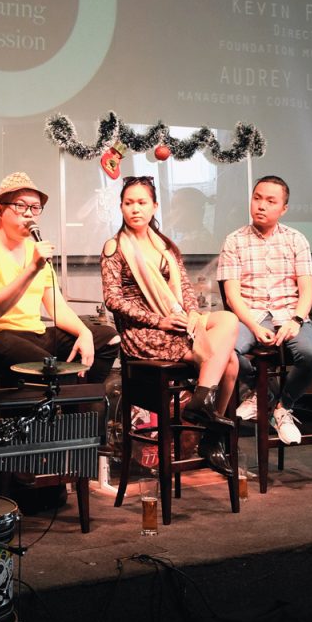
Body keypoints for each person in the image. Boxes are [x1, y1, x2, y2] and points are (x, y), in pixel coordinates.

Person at [100, 176, 241, 476]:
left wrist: (192, 315)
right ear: (121, 207)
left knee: (229, 319)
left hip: (174, 320)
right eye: (128, 203)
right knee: (230, 362)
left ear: (154, 206)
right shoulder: (115, 247)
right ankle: (211, 434)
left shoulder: (165, 245)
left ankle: (201, 404)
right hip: (143, 331)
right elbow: (112, 299)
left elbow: (186, 289)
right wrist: (159, 320)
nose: (135, 209)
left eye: (142, 202)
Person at [0, 171, 119, 386]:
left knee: (108, 338)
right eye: (20, 206)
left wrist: (84, 332)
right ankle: (71, 397)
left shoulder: (35, 250)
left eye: (35, 207)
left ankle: (81, 400)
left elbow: (57, 308)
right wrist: (33, 267)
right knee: (52, 367)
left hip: (33, 333)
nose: (29, 213)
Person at [217, 175, 312, 446]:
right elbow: (231, 296)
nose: (261, 205)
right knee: (225, 351)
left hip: (289, 313)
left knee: (311, 355)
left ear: (283, 208)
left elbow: (307, 291)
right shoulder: (234, 240)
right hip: (249, 314)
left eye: (270, 201)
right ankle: (261, 393)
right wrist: (254, 326)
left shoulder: (296, 239)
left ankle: (282, 407)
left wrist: (296, 320)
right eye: (257, 198)